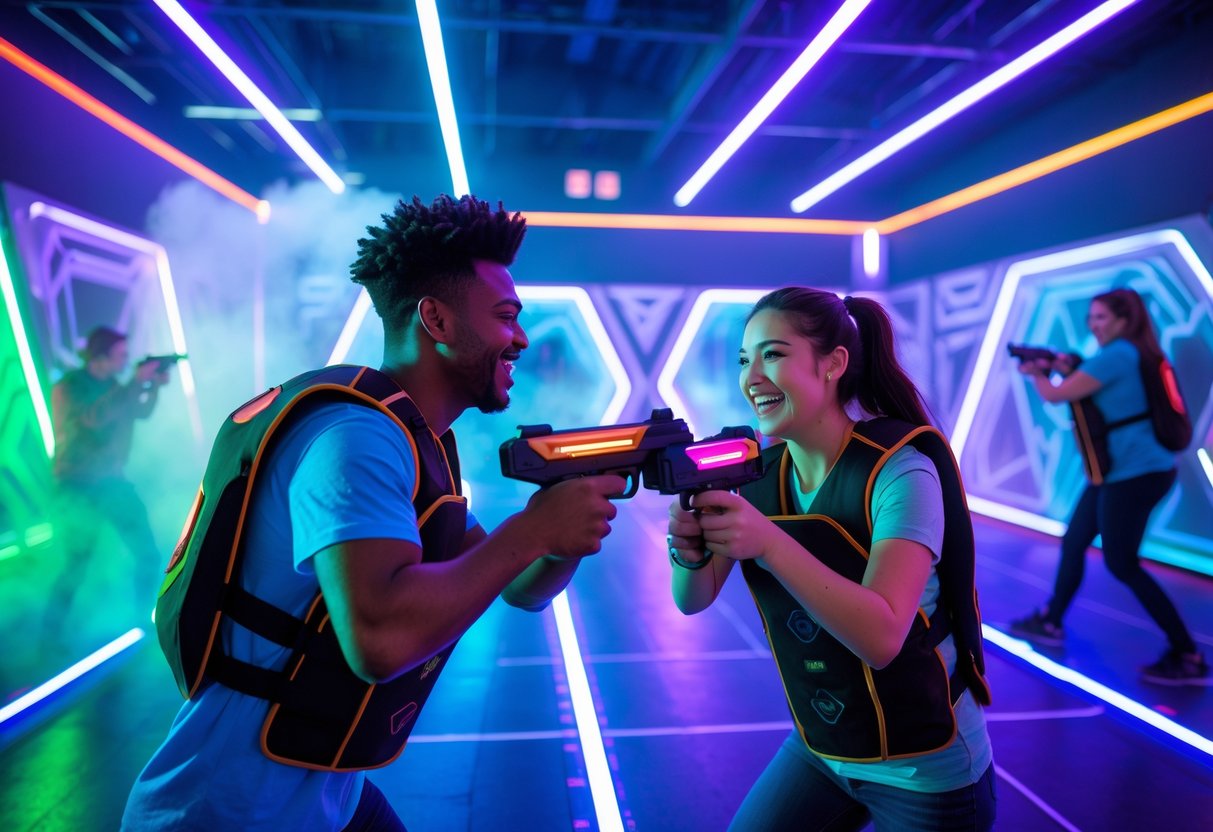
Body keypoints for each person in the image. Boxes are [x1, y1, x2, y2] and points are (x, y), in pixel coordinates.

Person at [120, 194, 624, 831]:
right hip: (232, 811)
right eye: (505, 317)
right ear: (435, 319)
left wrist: (563, 533)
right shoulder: (357, 438)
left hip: (319, 797)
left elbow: (521, 586)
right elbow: (380, 642)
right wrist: (535, 528)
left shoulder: (411, 437)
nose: (521, 338)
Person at [666, 288, 996, 831]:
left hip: (924, 768)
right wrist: (688, 550)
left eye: (773, 354)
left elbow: (882, 638)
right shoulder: (756, 477)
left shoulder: (901, 472)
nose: (752, 377)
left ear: (833, 363)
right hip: (823, 746)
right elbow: (692, 598)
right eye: (744, 360)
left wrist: (769, 543)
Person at [1008, 287, 1208, 685]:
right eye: (1091, 318)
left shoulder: (1117, 355)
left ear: (1123, 320)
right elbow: (1083, 380)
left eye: (1101, 317)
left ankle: (1187, 654)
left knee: (1122, 563)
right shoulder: (1128, 353)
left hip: (1134, 473)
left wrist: (1037, 373)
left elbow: (1058, 394)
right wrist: (1061, 364)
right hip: (1119, 472)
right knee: (1075, 540)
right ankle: (1051, 621)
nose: (1093, 325)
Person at [46, 325, 170, 629]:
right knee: (77, 565)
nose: (126, 360)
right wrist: (135, 382)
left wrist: (153, 386)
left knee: (148, 554)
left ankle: (143, 621)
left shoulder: (115, 384)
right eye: (121, 355)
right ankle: (49, 635)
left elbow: (140, 412)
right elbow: (94, 418)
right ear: (100, 356)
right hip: (78, 485)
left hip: (111, 482)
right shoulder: (69, 387)